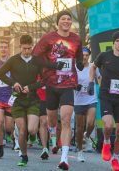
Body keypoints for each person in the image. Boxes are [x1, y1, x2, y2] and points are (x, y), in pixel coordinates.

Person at [0, 34, 61, 167]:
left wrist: (31, 87)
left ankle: (33, 136)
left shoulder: (37, 60)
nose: (27, 51)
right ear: (20, 47)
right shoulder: (13, 60)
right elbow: (0, 74)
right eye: (25, 48)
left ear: (32, 46)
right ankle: (24, 156)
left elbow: (44, 79)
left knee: (32, 129)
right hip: (18, 100)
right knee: (22, 130)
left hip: (32, 100)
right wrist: (13, 83)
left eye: (29, 48)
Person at [33, 10, 83, 170]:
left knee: (67, 119)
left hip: (68, 84)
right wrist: (52, 65)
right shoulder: (48, 38)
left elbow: (80, 56)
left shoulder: (76, 39)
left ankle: (64, 158)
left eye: (69, 19)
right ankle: (53, 131)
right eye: (63, 19)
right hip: (51, 84)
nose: (67, 21)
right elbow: (35, 58)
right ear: (58, 22)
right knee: (52, 120)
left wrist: (81, 63)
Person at [89, 31, 119, 171]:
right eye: (117, 41)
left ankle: (115, 159)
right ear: (113, 43)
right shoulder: (105, 56)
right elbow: (93, 67)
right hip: (106, 96)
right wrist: (90, 82)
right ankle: (106, 143)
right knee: (109, 125)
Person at [74, 47, 99, 163]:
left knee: (90, 123)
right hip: (78, 101)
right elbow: (68, 82)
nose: (84, 57)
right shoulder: (75, 68)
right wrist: (75, 86)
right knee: (79, 127)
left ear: (89, 56)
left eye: (86, 55)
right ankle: (80, 151)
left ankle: (87, 135)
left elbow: (99, 78)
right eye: (82, 55)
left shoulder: (93, 66)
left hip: (91, 99)